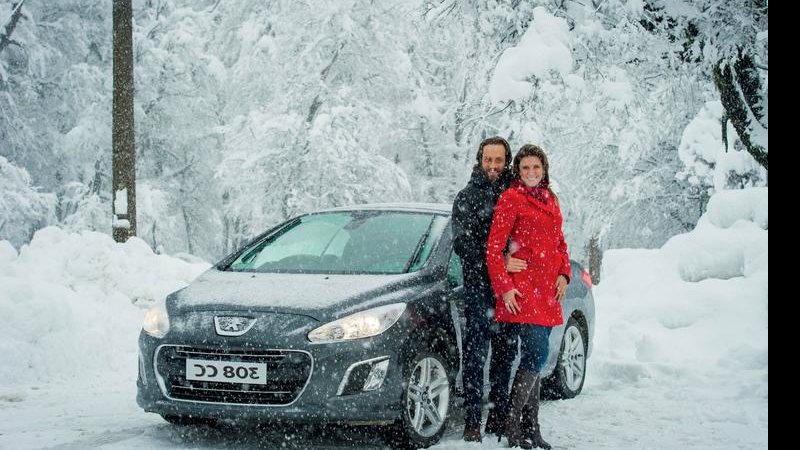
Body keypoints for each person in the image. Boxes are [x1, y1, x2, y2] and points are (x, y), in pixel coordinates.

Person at [486, 144, 571, 449]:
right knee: (536, 354)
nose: (532, 173)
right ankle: (512, 421)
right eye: (525, 169)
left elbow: (560, 243)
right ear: (518, 172)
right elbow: (494, 248)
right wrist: (505, 287)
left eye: (536, 168)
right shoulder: (511, 199)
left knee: (537, 356)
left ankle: (531, 428)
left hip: (549, 289)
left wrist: (564, 274)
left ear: (544, 169)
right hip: (523, 290)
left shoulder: (551, 200)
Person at [452, 136, 527, 442]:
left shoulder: (516, 195)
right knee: (474, 356)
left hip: (508, 290)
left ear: (506, 161)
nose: (493, 166)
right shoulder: (467, 197)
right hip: (478, 289)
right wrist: (497, 260)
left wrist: (513, 259)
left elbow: (526, 239)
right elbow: (462, 244)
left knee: (506, 354)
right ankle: (472, 421)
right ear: (479, 160)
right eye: (488, 160)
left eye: (498, 160)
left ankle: (497, 417)